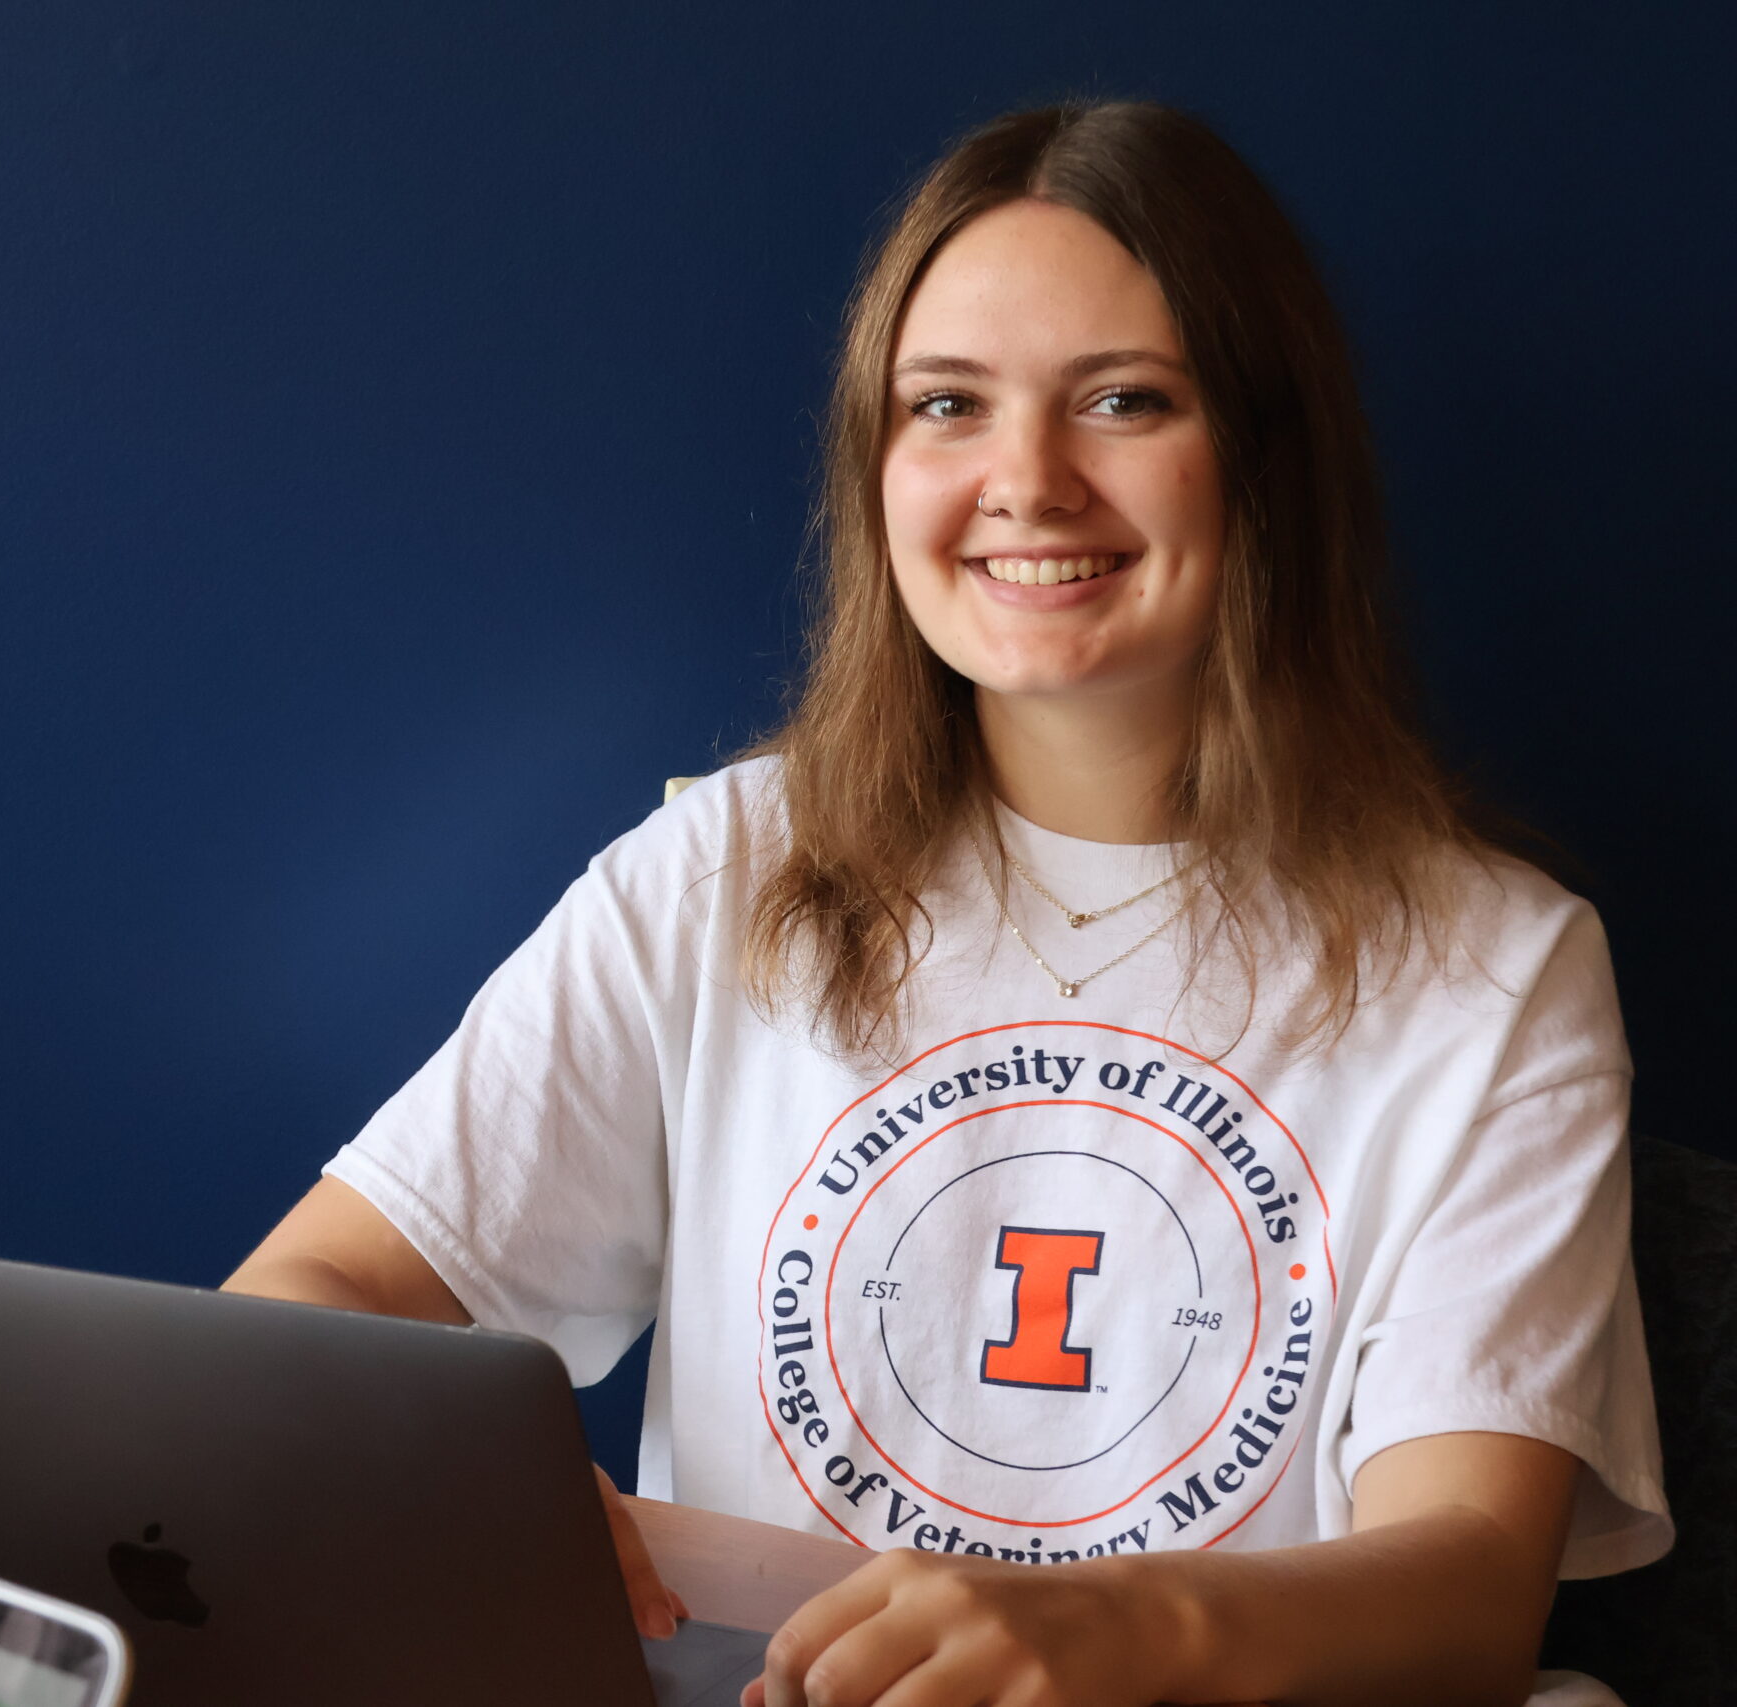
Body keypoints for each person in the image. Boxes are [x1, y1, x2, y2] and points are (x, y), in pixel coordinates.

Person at [226, 101, 1667, 1707]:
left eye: (1125, 400)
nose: (1027, 482)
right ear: (879, 468)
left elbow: (1469, 1585)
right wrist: (444, 1489)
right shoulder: (724, 871)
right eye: (947, 407)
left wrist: (1116, 1627)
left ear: (1266, 458)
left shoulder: (1500, 965)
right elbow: (304, 1300)